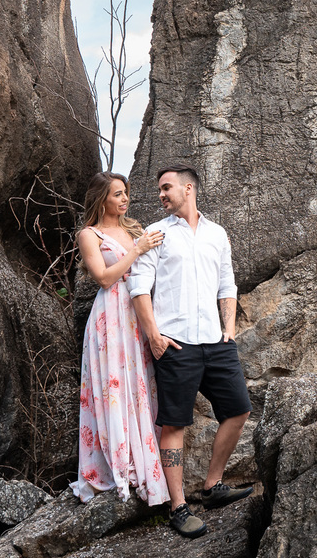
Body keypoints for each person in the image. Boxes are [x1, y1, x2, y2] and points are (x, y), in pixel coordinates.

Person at [127, 164, 254, 538]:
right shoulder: (156, 233)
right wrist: (154, 336)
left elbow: (227, 283)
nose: (161, 195)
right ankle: (178, 507)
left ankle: (213, 486)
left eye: (167, 188)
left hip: (216, 343)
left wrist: (228, 329)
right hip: (176, 345)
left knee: (238, 409)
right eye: (160, 190)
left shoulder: (217, 234)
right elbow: (139, 288)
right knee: (174, 425)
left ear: (188, 188)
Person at [69, 172, 169, 506]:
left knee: (141, 384)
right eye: (117, 194)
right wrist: (137, 249)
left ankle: (145, 461)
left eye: (125, 193)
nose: (124, 199)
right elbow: (104, 277)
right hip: (111, 316)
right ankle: (119, 465)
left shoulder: (133, 228)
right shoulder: (89, 234)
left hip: (139, 313)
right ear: (102, 199)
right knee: (114, 386)